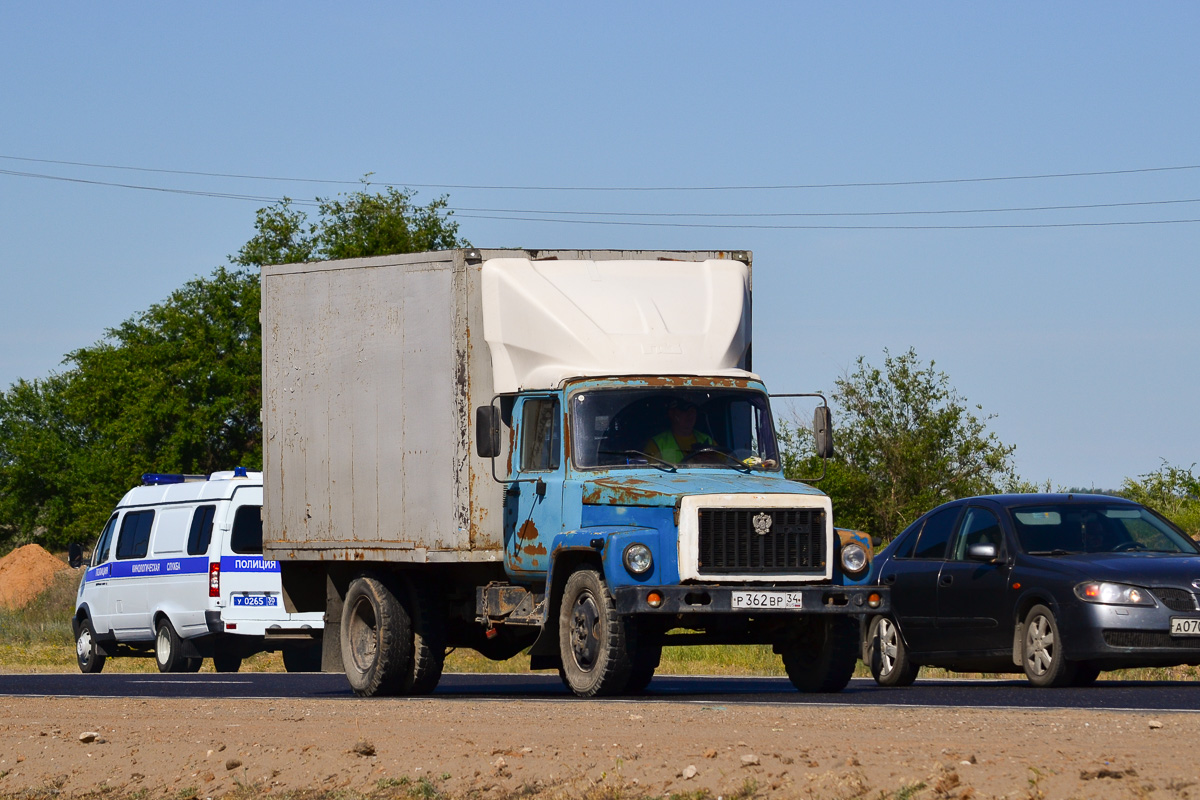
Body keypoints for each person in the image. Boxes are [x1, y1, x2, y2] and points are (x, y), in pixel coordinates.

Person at [644, 398, 715, 463]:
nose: (690, 415)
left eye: (693, 411)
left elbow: (725, 463)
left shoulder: (707, 439)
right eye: (685, 411)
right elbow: (648, 473)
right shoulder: (656, 444)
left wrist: (712, 461)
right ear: (672, 413)